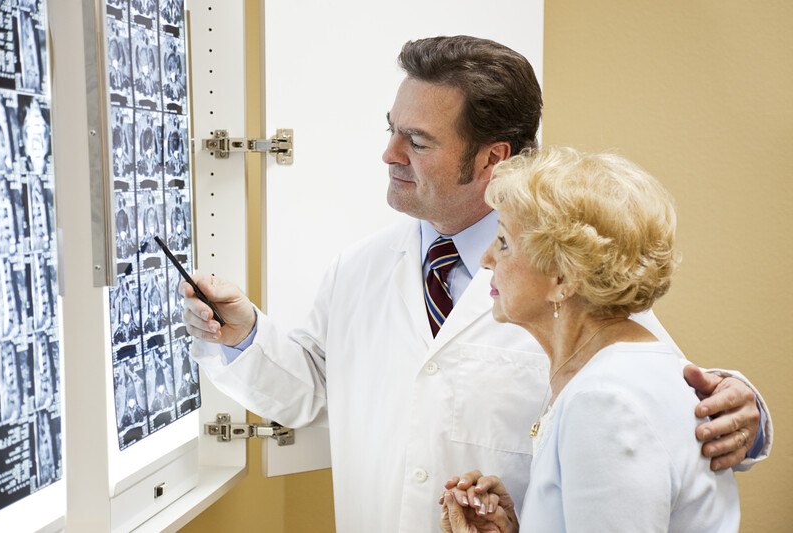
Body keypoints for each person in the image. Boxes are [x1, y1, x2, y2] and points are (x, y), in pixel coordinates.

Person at [182, 36, 771, 532]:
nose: (388, 154)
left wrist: (739, 407)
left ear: (492, 158)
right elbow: (308, 389)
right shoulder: (359, 267)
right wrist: (243, 335)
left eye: (417, 141)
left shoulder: (564, 271)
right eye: (392, 130)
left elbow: (649, 385)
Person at [440, 147, 742, 532]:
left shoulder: (604, 402)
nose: (486, 258)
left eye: (503, 242)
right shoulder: (616, 374)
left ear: (564, 279)